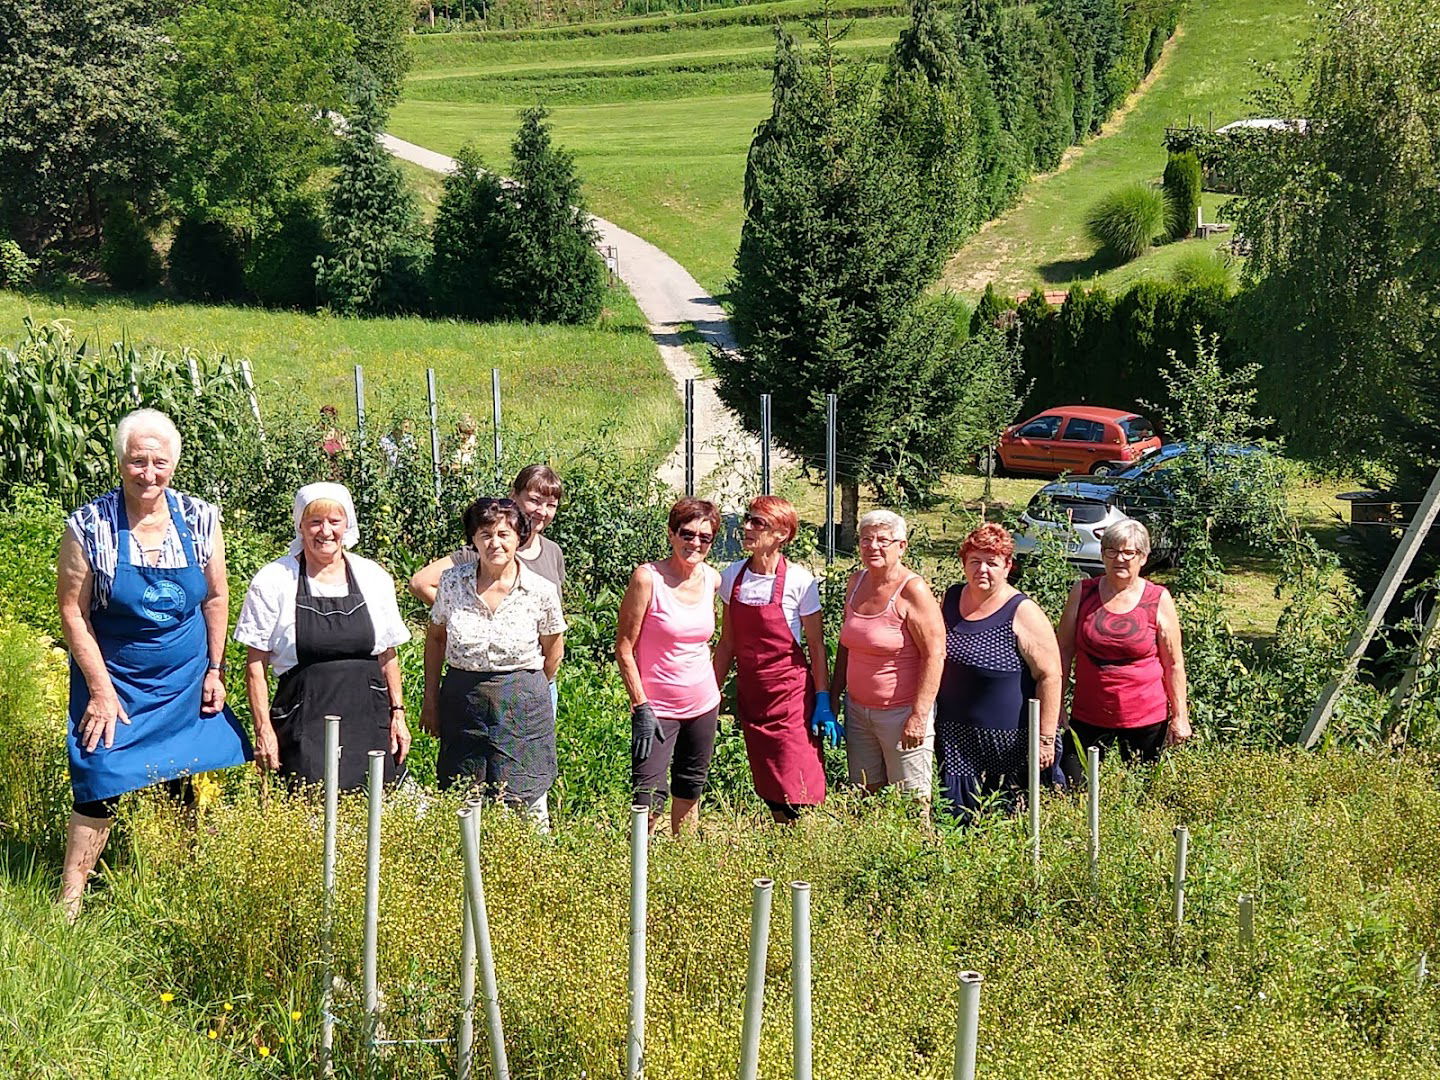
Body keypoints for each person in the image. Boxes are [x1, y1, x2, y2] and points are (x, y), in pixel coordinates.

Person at [57, 409, 250, 919]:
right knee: (100, 772)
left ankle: (183, 886)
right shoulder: (89, 525)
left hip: (185, 675)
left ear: (174, 464)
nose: (148, 472)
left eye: (158, 462)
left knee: (187, 773)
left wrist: (215, 668)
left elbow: (214, 597)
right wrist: (100, 690)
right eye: (137, 461)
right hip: (115, 676)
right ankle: (70, 900)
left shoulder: (200, 517)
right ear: (121, 461)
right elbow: (73, 613)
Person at [234, 483, 412, 791]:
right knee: (310, 812)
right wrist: (264, 729)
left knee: (374, 813)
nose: (325, 531)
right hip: (304, 722)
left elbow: (387, 655)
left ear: (348, 524)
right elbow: (255, 667)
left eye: (334, 521)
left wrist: (398, 714)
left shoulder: (373, 578)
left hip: (369, 719)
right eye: (315, 522)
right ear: (300, 526)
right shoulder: (274, 580)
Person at [423, 498, 566, 828]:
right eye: (485, 534)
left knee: (526, 802)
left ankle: (530, 870)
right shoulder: (451, 583)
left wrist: (524, 688)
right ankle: (469, 870)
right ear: (473, 539)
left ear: (519, 537)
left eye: (504, 533)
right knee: (464, 795)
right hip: (464, 702)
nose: (495, 543)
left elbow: (553, 650)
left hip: (522, 703)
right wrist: (431, 700)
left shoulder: (540, 591)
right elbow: (436, 640)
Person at [714, 496, 836, 823]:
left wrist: (823, 698)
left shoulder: (800, 581)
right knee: (768, 783)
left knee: (798, 781)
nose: (747, 527)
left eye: (758, 523)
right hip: (754, 695)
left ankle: (802, 847)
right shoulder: (731, 577)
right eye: (748, 519)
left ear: (781, 533)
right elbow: (727, 643)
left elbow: (816, 646)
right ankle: (781, 843)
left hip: (792, 698)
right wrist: (713, 692)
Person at [410, 464, 566, 716]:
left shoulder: (553, 552)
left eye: (551, 505)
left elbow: (554, 632)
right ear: (513, 497)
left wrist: (536, 683)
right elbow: (420, 582)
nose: (542, 512)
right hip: (474, 683)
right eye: (535, 501)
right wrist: (467, 616)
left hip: (533, 681)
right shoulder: (478, 551)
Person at [935, 524, 1062, 820]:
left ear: (1007, 566)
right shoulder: (951, 598)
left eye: (992, 563)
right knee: (955, 823)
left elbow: (1050, 676)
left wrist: (1044, 738)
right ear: (964, 563)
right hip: (955, 742)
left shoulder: (1022, 610)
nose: (982, 569)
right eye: (975, 561)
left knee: (1004, 824)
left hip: (1008, 747)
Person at [616, 498, 722, 835]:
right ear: (671, 534)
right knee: (647, 799)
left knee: (690, 787)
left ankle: (682, 865)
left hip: (702, 704)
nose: (695, 543)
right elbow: (624, 648)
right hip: (657, 708)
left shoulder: (712, 580)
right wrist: (641, 705)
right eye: (687, 534)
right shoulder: (648, 579)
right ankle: (638, 877)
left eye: (705, 538)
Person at [832, 510, 945, 808]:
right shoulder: (856, 582)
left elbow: (935, 652)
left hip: (901, 714)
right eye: (866, 540)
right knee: (864, 795)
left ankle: (920, 852)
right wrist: (833, 696)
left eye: (884, 540)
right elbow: (847, 645)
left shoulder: (913, 590)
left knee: (912, 802)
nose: (873, 547)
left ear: (902, 546)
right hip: (858, 712)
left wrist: (919, 716)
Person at [1056, 517, 1191, 763]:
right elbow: (1063, 652)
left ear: (1143, 557)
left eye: (1129, 552)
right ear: (1102, 554)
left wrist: (1180, 716)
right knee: (1074, 788)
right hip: (1088, 714)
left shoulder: (1158, 598)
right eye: (1112, 551)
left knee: (1143, 792)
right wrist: (1056, 705)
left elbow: (1174, 664)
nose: (1120, 558)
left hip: (1146, 718)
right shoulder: (1082, 592)